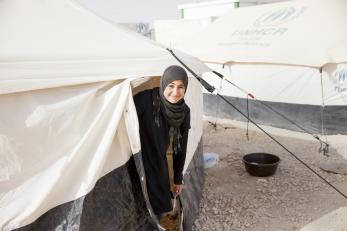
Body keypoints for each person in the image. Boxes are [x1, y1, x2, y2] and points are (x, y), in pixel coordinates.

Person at [134, 65, 191, 220]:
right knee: (135, 204)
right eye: (171, 86)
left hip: (158, 161)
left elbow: (181, 147)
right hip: (135, 160)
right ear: (163, 84)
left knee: (159, 204)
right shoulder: (147, 99)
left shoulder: (184, 111)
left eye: (181, 87)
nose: (175, 92)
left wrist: (178, 179)